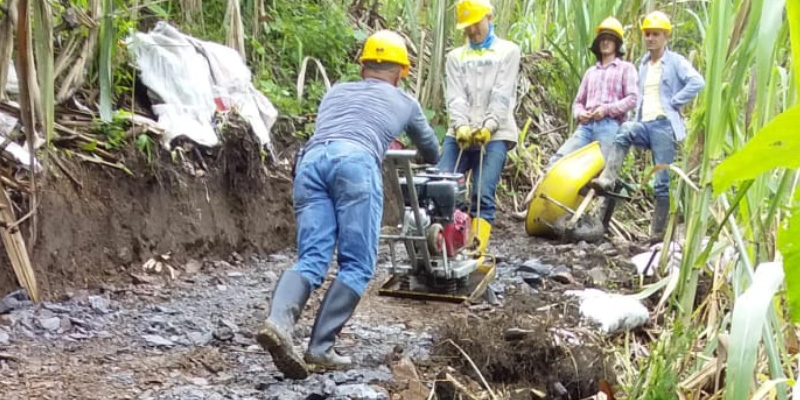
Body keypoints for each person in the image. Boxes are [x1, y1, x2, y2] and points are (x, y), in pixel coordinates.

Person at [256, 30, 440, 380]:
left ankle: (279, 323)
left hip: (311, 162)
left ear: (363, 68)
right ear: (402, 72)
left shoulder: (336, 92)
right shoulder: (405, 102)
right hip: (355, 163)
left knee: (312, 258)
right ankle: (321, 348)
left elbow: (344, 124)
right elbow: (430, 150)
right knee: (357, 264)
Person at [590, 11, 705, 243]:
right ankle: (608, 178)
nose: (650, 38)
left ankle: (658, 234)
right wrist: (634, 117)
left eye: (655, 34)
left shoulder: (675, 62)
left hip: (664, 125)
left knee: (661, 181)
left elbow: (697, 82)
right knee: (624, 131)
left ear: (665, 37)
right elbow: (639, 97)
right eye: (647, 34)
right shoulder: (642, 65)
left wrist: (675, 101)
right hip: (644, 123)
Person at [437, 0, 521, 255]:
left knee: (483, 192)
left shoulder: (508, 51)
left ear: (489, 17)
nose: (472, 30)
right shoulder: (455, 57)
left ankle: (476, 251)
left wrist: (489, 125)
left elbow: (502, 93)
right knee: (442, 185)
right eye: (467, 27)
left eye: (476, 24)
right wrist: (461, 125)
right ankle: (446, 246)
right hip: (460, 133)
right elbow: (456, 96)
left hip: (497, 133)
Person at [546, 17, 638, 168]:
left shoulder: (626, 68)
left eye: (610, 39)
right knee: (559, 160)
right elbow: (578, 102)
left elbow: (633, 98)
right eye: (602, 39)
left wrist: (606, 109)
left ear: (617, 44)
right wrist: (580, 114)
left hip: (610, 125)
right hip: (586, 126)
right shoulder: (591, 72)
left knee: (601, 170)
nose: (605, 42)